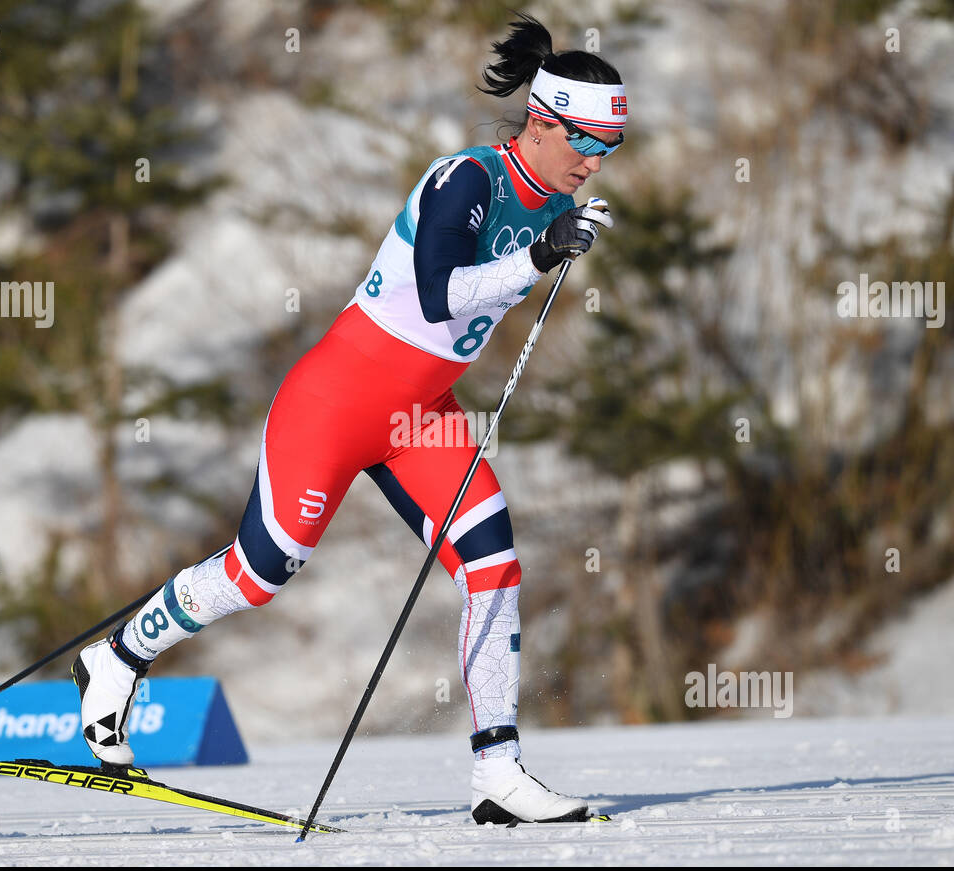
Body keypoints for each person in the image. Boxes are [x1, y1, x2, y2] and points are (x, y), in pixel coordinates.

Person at [72, 13, 627, 824]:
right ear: (543, 120)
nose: (595, 162)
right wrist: (540, 258)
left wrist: (546, 251)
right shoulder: (466, 180)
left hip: (421, 417)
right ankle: (119, 656)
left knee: (495, 562)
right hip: (335, 403)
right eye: (587, 142)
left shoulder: (552, 202)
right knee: (261, 575)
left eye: (609, 150)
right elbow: (440, 295)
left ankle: (499, 774)